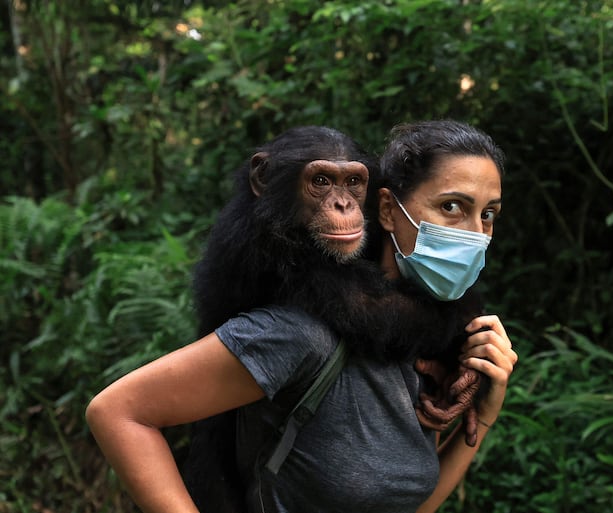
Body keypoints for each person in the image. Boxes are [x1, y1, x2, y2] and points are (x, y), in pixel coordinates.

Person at [86, 120, 518, 513]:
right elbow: (375, 317)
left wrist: (482, 402)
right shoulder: (289, 297)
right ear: (388, 209)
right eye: (450, 208)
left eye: (488, 214)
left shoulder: (407, 355)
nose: (474, 234)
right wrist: (462, 328)